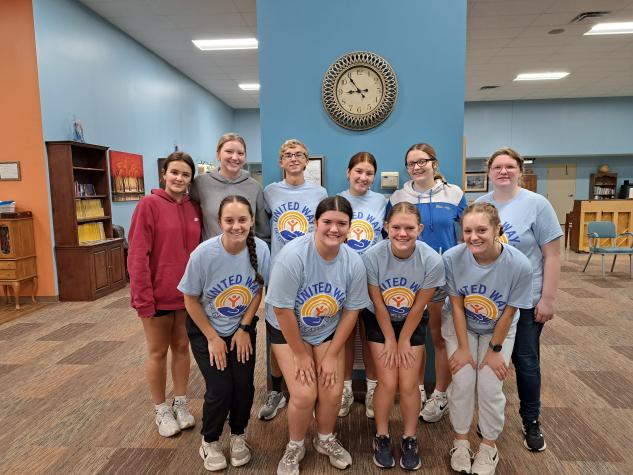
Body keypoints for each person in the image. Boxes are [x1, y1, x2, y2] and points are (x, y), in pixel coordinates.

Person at [266, 196, 370, 475]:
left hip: (325, 329)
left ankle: (324, 439)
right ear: (315, 223)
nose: (334, 229)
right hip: (287, 328)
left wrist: (332, 354)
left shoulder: (353, 262)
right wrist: (301, 355)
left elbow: (351, 311)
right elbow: (282, 309)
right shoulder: (292, 257)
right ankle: (295, 445)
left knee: (333, 389)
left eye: (341, 223)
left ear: (350, 227)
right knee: (303, 393)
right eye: (327, 222)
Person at [476, 147, 562, 452]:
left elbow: (552, 255)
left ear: (519, 171)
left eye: (509, 166)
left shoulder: (537, 205)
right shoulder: (480, 204)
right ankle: (487, 418)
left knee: (525, 360)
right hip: (490, 299)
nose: (503, 171)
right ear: (488, 171)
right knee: (488, 361)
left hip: (527, 298)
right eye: (497, 166)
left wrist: (547, 299)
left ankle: (531, 419)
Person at [178, 195, 271, 471]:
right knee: (220, 387)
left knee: (243, 386)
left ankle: (239, 435)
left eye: (242, 220)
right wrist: (212, 337)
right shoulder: (203, 254)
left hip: (241, 328)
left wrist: (244, 328)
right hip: (205, 329)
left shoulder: (261, 249)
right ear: (219, 222)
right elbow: (190, 300)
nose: (236, 226)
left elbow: (258, 291)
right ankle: (210, 440)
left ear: (252, 220)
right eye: (229, 221)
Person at [442, 202, 532, 475]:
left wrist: (495, 350)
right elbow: (456, 306)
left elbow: (509, 312)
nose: (474, 237)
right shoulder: (453, 258)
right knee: (463, 381)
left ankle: (488, 446)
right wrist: (463, 349)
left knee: (491, 386)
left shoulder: (519, 264)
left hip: (499, 329)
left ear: (497, 230)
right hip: (462, 327)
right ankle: (460, 441)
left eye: (481, 230)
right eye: (468, 231)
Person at [388, 142, 467, 422]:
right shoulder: (399, 196)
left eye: (422, 161)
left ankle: (440, 395)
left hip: (442, 280)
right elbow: (391, 235)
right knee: (413, 337)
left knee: (439, 337)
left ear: (434, 162)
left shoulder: (454, 194)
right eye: (411, 163)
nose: (417, 167)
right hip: (406, 282)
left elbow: (467, 233)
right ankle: (418, 389)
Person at [364, 202, 445, 470]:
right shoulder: (372, 256)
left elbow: (420, 306)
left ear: (419, 229)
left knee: (409, 382)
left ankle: (410, 437)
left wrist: (403, 340)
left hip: (412, 319)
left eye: (409, 228)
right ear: (386, 228)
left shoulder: (431, 259)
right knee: (387, 381)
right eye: (396, 227)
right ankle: (382, 436)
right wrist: (390, 339)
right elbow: (377, 304)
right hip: (380, 320)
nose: (402, 233)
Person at [127, 151, 201, 437]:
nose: (179, 178)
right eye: (175, 173)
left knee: (182, 347)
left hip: (187, 295)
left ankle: (180, 403)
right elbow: (137, 255)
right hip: (156, 295)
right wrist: (142, 297)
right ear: (164, 174)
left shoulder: (194, 208)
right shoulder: (149, 205)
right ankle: (160, 409)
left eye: (185, 174)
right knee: (157, 351)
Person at [259, 139, 328, 421]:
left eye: (299, 154)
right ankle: (277, 391)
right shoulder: (270, 192)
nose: (294, 158)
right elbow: (265, 232)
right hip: (279, 270)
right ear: (281, 161)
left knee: (309, 328)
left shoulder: (319, 191)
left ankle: (307, 388)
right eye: (288, 155)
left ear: (307, 160)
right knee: (278, 331)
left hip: (311, 270)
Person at [337, 152, 387, 418]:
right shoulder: (337, 201)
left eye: (369, 173)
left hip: (372, 278)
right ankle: (344, 390)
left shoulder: (381, 201)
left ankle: (371, 390)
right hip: (342, 276)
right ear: (348, 172)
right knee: (345, 336)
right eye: (358, 171)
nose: (363, 177)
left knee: (369, 337)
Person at [190, 132, 270, 242]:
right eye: (229, 151)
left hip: (247, 256)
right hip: (212, 256)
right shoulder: (200, 184)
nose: (235, 157)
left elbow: (263, 233)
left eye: (240, 153)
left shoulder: (255, 187)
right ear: (218, 154)